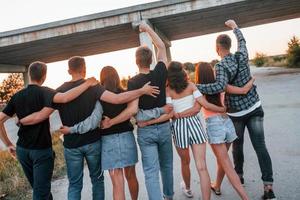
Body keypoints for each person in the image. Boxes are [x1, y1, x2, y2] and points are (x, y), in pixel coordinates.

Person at [19, 56, 160, 200]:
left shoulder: (60, 91)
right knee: (101, 180)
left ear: (69, 71)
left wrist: (23, 120)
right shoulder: (95, 88)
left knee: (75, 184)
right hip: (96, 142)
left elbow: (42, 114)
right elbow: (119, 101)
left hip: (73, 144)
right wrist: (141, 91)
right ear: (84, 69)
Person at [197, 19, 276, 200]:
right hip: (255, 106)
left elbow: (219, 87)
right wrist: (234, 27)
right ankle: (269, 188)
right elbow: (243, 41)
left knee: (237, 146)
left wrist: (197, 87)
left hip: (237, 113)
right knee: (260, 146)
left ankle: (238, 177)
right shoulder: (242, 54)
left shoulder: (221, 66)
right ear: (229, 45)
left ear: (218, 49)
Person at [0, 61, 98, 200]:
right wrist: (87, 83)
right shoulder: (46, 92)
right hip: (41, 151)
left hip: (22, 150)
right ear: (44, 76)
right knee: (41, 192)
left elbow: (0, 120)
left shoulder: (17, 96)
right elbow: (65, 97)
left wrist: (8, 144)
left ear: (29, 74)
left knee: (40, 189)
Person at [126, 21, 174, 200]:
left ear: (136, 61)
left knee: (150, 171)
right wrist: (147, 29)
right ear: (151, 59)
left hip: (145, 131)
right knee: (167, 165)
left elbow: (135, 112)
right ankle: (169, 196)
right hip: (163, 128)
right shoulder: (161, 71)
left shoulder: (133, 82)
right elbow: (161, 46)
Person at [196, 62, 253, 200]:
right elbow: (243, 90)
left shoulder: (199, 90)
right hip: (227, 123)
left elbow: (196, 109)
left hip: (214, 125)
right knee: (222, 159)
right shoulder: (221, 85)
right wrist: (251, 80)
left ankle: (246, 198)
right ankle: (217, 186)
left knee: (226, 164)